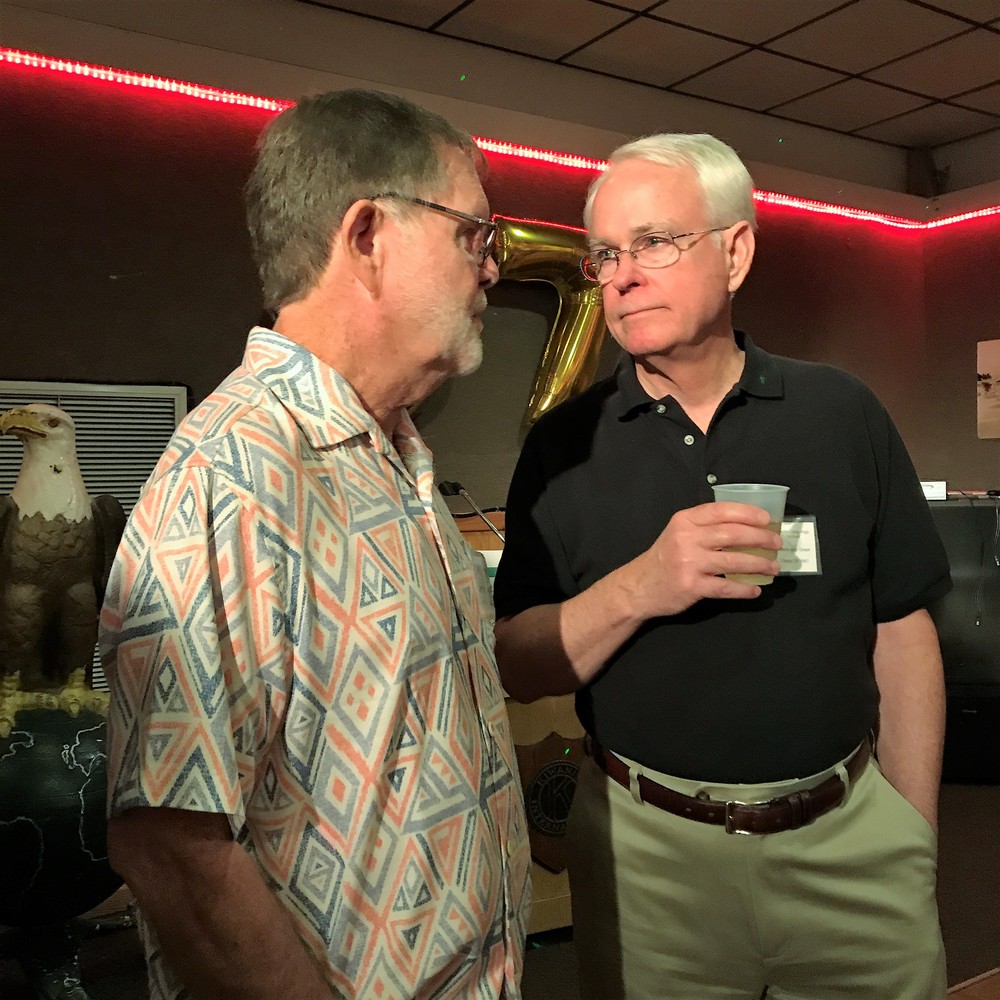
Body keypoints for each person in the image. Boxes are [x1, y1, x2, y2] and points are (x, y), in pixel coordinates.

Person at [492, 132, 951, 1000]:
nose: (622, 276)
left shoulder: (841, 413)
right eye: (605, 254)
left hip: (853, 844)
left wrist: (911, 833)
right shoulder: (561, 447)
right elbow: (518, 662)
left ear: (735, 252)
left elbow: (901, 625)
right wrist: (643, 585)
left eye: (654, 242)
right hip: (647, 864)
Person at [100, 89, 530, 1000]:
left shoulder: (396, 457)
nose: (493, 267)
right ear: (368, 234)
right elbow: (170, 846)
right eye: (473, 235)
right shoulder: (233, 473)